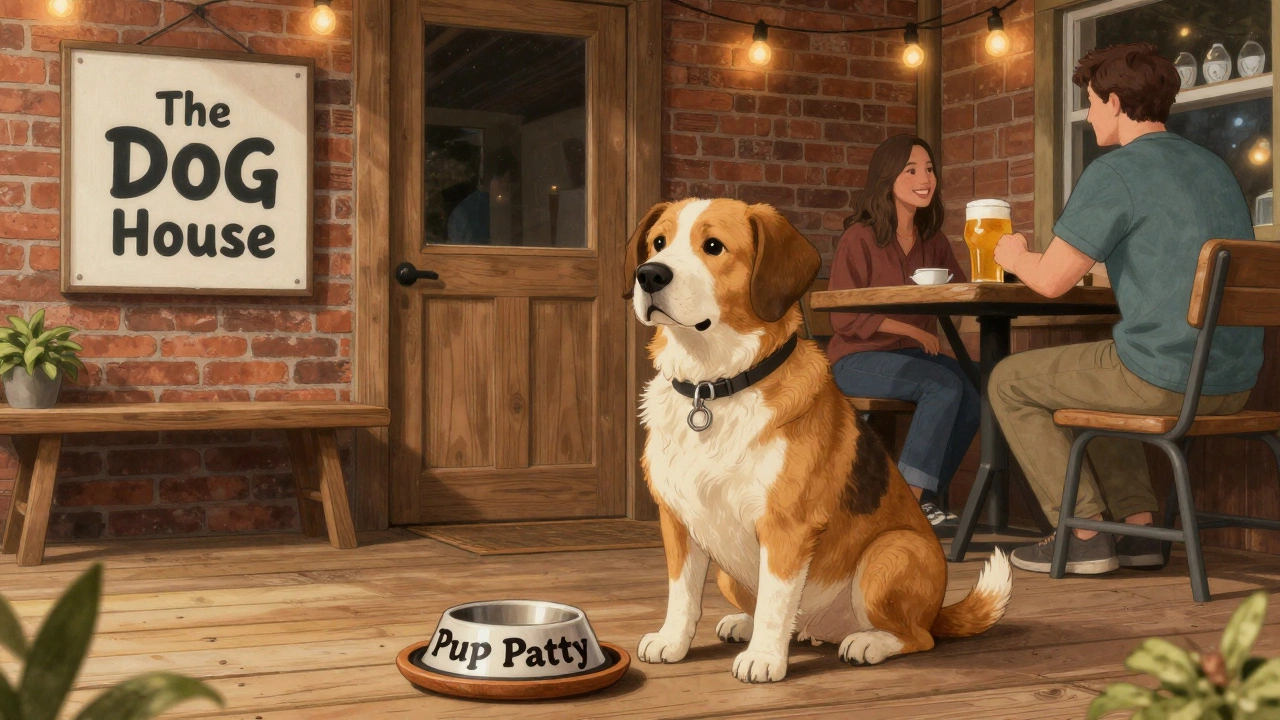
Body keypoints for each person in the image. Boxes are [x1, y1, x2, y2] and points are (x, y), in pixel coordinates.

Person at [989, 42, 1263, 575]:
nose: (1089, 115)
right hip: (1235, 383)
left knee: (1007, 380)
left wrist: (1015, 254)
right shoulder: (1214, 167)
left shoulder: (1116, 171)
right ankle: (1138, 533)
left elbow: (1049, 282)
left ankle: (1085, 533)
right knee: (1105, 371)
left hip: (1168, 379)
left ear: (1115, 102)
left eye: (1090, 102)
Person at [827, 134, 980, 533]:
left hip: (912, 357)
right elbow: (844, 318)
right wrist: (911, 329)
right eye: (911, 169)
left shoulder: (934, 242)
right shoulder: (859, 238)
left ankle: (924, 499)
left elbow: (958, 294)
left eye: (928, 169)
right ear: (887, 178)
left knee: (979, 386)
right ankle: (906, 505)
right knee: (942, 386)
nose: (924, 177)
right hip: (856, 359)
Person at [447, 147, 518, 244]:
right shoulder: (465, 213)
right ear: (488, 180)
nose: (507, 187)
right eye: (501, 181)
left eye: (510, 182)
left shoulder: (517, 210)